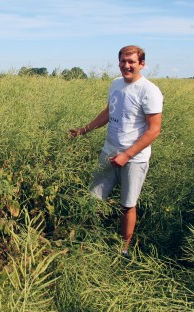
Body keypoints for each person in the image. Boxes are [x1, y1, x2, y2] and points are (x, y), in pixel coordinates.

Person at [68, 45, 163, 256]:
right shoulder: (115, 85)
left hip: (134, 159)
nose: (126, 66)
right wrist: (84, 130)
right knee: (93, 199)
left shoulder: (149, 91)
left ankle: (124, 250)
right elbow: (110, 111)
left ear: (142, 64)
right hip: (108, 152)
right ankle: (87, 242)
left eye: (132, 62)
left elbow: (154, 130)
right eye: (123, 61)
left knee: (127, 205)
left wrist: (127, 155)